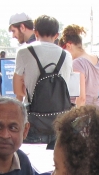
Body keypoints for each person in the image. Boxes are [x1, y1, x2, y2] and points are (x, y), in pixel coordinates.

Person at [14, 15, 73, 144]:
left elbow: (18, 90)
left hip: (33, 122)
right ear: (57, 35)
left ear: (35, 32)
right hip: (60, 123)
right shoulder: (67, 55)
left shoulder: (24, 52)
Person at [60, 25, 99, 108]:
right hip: (97, 110)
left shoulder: (77, 63)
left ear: (69, 45)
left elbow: (81, 98)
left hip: (83, 112)